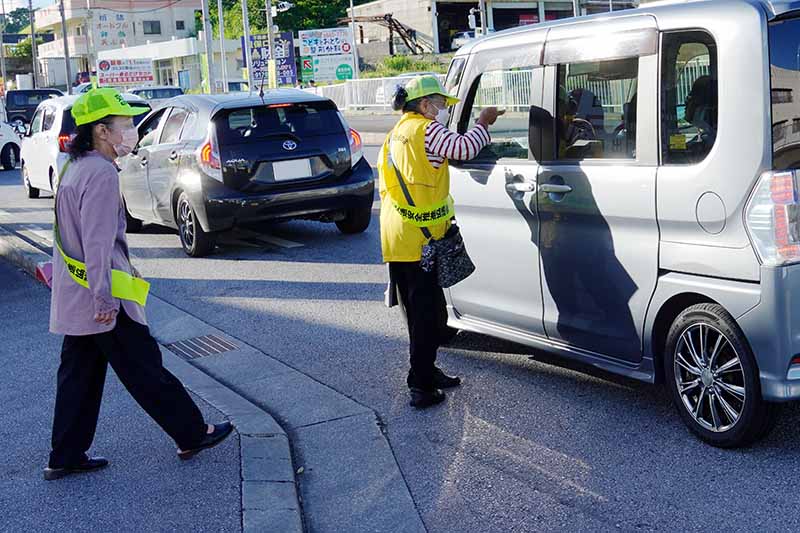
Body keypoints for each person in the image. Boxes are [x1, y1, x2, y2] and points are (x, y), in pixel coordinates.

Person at [45, 88, 233, 481]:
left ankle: (65, 454)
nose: (132, 132)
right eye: (125, 125)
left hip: (78, 293)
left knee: (78, 374)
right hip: (104, 293)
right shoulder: (99, 174)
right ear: (102, 131)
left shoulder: (73, 167)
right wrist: (104, 297)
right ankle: (192, 433)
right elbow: (97, 243)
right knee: (145, 368)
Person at [378, 75, 503, 409]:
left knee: (426, 309)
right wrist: (483, 122)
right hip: (421, 238)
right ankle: (420, 383)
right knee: (426, 313)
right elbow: (463, 149)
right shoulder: (426, 129)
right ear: (423, 104)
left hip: (399, 234)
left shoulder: (394, 136)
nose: (443, 110)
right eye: (440, 103)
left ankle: (427, 371)